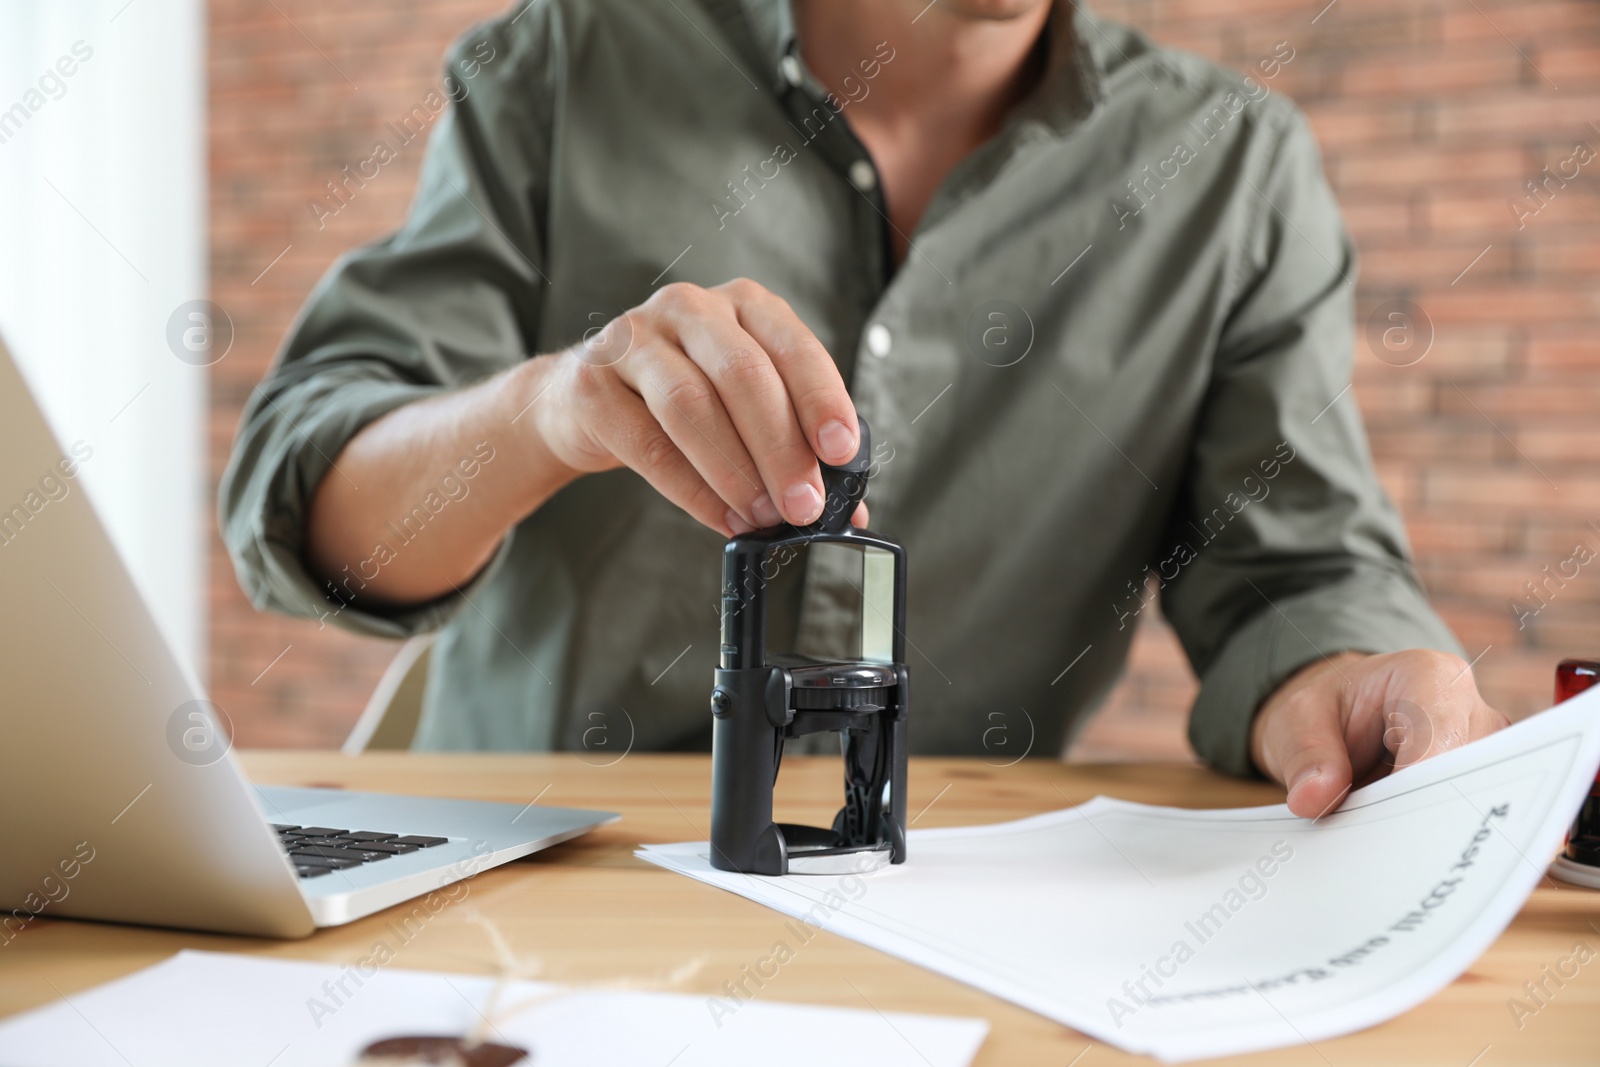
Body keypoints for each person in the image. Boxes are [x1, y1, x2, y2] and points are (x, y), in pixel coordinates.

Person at [221, 0, 1507, 818]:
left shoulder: (1233, 172)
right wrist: (550, 410)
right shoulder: (568, 59)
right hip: (535, 887)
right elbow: (304, 501)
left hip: (951, 911)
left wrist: (1340, 678)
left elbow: (1294, 578)